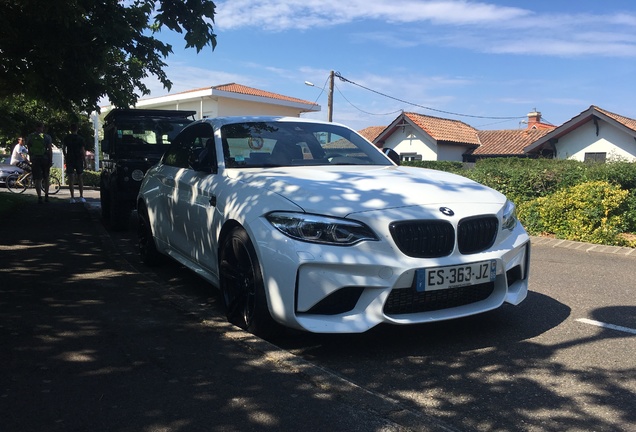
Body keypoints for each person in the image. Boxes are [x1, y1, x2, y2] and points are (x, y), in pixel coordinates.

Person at [26, 122, 53, 204]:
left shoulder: (31, 136)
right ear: (42, 128)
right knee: (46, 177)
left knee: (37, 179)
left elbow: (29, 148)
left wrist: (31, 158)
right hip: (45, 159)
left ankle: (39, 197)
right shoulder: (46, 137)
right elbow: (50, 149)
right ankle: (46, 195)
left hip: (35, 159)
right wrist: (50, 160)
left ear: (35, 127)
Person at [62, 123, 87, 203]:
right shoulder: (81, 139)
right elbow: (83, 151)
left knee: (71, 178)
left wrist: (66, 156)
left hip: (70, 158)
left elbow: (63, 148)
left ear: (70, 129)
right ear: (77, 129)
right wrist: (85, 161)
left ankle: (72, 197)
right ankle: (81, 196)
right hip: (78, 158)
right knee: (80, 178)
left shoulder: (67, 138)